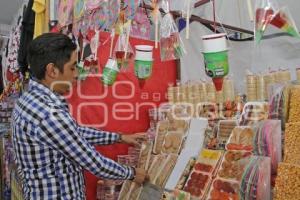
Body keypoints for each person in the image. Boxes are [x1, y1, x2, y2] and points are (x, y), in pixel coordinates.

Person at [12, 33, 148, 199]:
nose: (76, 74)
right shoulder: (48, 113)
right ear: (52, 70)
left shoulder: (29, 99)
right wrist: (132, 173)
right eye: (72, 67)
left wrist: (119, 137)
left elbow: (72, 133)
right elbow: (93, 162)